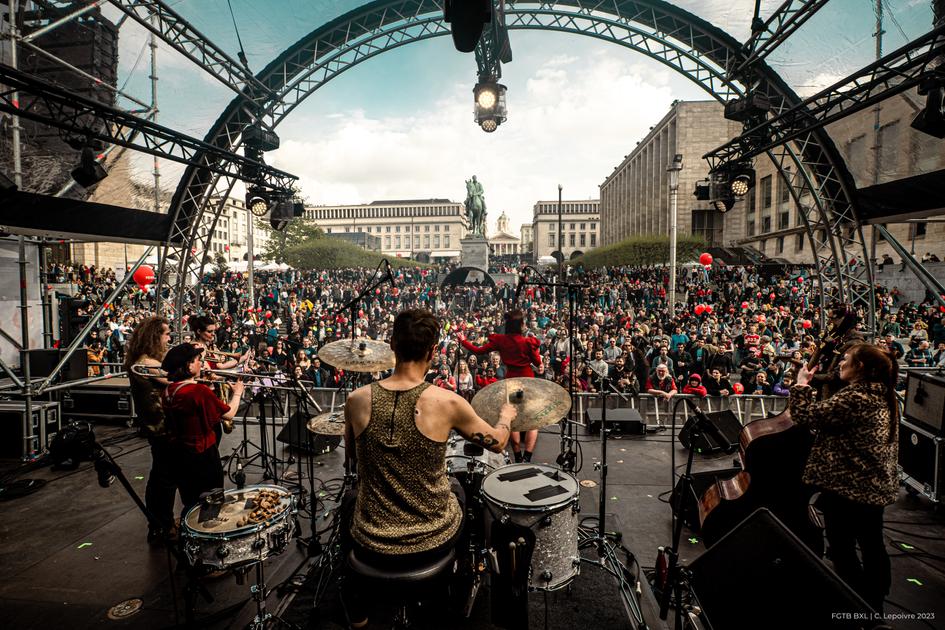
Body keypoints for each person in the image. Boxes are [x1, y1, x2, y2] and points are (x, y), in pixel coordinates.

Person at [343, 309, 514, 625]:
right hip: (430, 540)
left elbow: (352, 459)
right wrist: (505, 417)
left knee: (350, 502)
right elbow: (498, 443)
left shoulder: (356, 400)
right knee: (460, 491)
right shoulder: (447, 402)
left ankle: (358, 615)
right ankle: (458, 593)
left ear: (392, 344)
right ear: (433, 352)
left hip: (370, 540)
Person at [792, 344, 899, 612]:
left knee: (842, 549)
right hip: (872, 486)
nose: (840, 363)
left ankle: (857, 606)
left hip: (849, 487)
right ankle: (874, 603)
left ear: (860, 367)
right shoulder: (883, 393)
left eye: (845, 359)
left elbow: (806, 415)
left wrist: (802, 385)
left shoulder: (857, 398)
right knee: (873, 544)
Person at [161, 343, 245, 520]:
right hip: (203, 455)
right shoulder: (198, 391)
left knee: (190, 502)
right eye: (198, 360)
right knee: (211, 499)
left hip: (180, 455)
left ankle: (189, 536)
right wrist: (237, 393)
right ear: (188, 365)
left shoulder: (168, 391)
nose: (202, 363)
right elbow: (229, 414)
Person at [458, 309, 542, 462]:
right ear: (521, 325)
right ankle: (527, 458)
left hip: (513, 384)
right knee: (532, 420)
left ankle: (517, 456)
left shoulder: (501, 340)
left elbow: (478, 350)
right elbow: (537, 362)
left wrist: (463, 340)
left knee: (513, 419)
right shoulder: (527, 342)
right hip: (528, 382)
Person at [124, 317, 175, 544]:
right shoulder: (147, 364)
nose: (169, 338)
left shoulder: (144, 360)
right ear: (155, 337)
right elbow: (177, 380)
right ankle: (161, 524)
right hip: (161, 427)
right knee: (163, 478)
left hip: (158, 426)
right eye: (165, 334)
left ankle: (161, 522)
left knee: (161, 476)